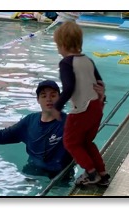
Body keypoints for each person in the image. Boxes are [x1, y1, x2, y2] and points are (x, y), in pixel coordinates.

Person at [0, 79, 105, 180]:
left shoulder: (69, 123)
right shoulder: (30, 121)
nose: (49, 99)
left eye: (53, 95)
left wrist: (100, 100)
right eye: (44, 96)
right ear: (38, 100)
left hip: (60, 176)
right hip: (31, 170)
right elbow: (3, 135)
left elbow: (88, 135)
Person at [52, 21, 110, 186]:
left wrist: (57, 107)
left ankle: (91, 174)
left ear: (62, 45)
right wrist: (101, 99)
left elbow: (68, 88)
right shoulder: (88, 60)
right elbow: (100, 83)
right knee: (86, 142)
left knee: (71, 142)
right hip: (96, 107)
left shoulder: (66, 63)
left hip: (83, 109)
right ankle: (103, 173)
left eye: (57, 46)